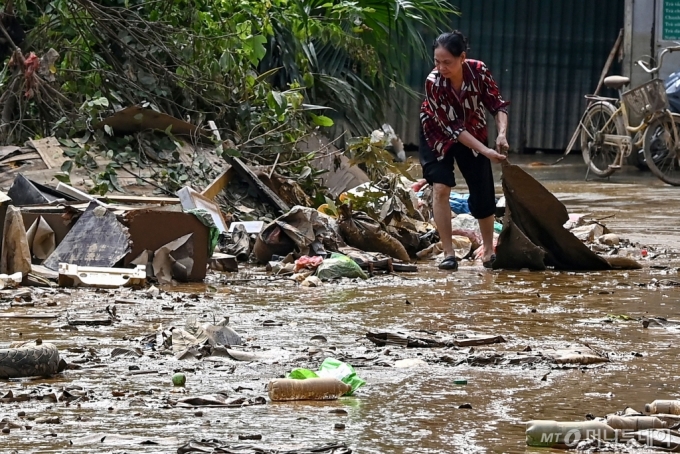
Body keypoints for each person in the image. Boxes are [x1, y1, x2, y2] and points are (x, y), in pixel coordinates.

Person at [419, 30, 509, 271]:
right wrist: (487, 152)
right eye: (437, 61)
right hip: (436, 132)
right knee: (441, 187)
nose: (441, 67)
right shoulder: (433, 82)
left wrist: (501, 134)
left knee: (482, 190)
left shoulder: (478, 71)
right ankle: (449, 254)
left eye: (447, 62)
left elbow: (497, 104)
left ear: (462, 58)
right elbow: (453, 129)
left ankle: (489, 250)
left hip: (474, 128)